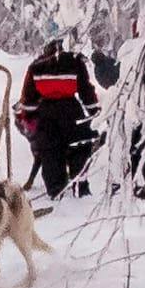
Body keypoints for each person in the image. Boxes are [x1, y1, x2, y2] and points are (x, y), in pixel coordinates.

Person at [22, 35, 101, 199]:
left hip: (46, 115)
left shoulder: (36, 66)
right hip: (72, 112)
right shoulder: (75, 62)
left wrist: (29, 117)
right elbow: (86, 91)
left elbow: (28, 99)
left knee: (50, 153)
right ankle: (80, 187)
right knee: (79, 148)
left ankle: (55, 190)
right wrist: (95, 112)